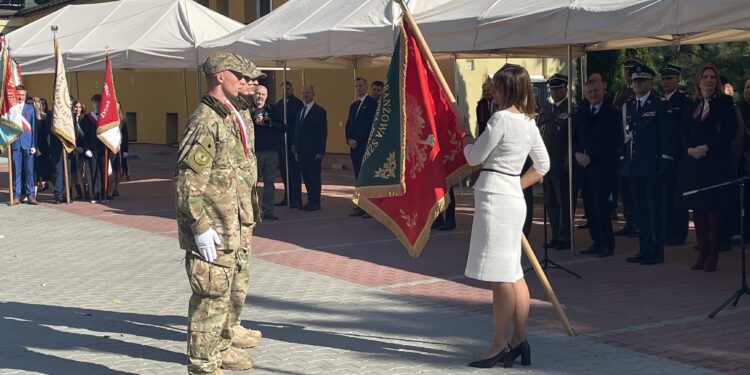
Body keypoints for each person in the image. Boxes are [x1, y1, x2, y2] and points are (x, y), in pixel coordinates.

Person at [462, 64, 549, 369]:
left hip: (496, 198)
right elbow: (543, 165)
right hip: (512, 195)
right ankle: (518, 340)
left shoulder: (500, 118)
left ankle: (499, 344)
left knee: (501, 276)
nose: (493, 91)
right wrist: (517, 183)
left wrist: (465, 139)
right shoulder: (528, 122)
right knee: (513, 273)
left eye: (497, 86)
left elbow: (475, 157)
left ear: (507, 89)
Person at [175, 51, 256, 374]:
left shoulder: (226, 115)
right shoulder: (204, 121)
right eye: (240, 75)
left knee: (224, 294)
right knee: (210, 299)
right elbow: (187, 181)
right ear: (221, 76)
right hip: (212, 228)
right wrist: (199, 226)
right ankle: (202, 365)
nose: (246, 82)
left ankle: (220, 348)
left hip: (229, 223)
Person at [678, 65, 738, 272]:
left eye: (713, 77)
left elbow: (731, 131)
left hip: (716, 163)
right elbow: (683, 130)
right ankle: (701, 253)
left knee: (713, 211)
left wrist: (708, 146)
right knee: (699, 211)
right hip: (694, 163)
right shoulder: (691, 104)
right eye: (705, 77)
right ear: (698, 80)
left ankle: (712, 255)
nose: (709, 81)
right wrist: (689, 149)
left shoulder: (725, 102)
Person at [226, 57, 265, 351]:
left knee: (241, 271)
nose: (252, 83)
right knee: (226, 274)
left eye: (254, 80)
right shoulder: (221, 115)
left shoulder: (242, 110)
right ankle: (223, 333)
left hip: (243, 206)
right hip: (227, 210)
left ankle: (233, 324)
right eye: (247, 78)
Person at [622, 62, 674, 265]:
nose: (636, 84)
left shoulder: (659, 105)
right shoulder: (630, 106)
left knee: (655, 211)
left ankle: (656, 251)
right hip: (634, 166)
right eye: (634, 80)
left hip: (652, 166)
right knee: (640, 211)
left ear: (650, 83)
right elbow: (625, 137)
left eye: (641, 80)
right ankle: (644, 249)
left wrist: (665, 162)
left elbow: (667, 137)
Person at [574, 79, 622, 257]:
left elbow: (614, 141)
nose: (592, 95)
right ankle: (596, 241)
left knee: (602, 208)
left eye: (595, 91)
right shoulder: (582, 111)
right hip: (584, 168)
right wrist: (577, 153)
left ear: (603, 90)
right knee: (590, 209)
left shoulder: (612, 112)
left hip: (602, 167)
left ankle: (607, 244)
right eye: (589, 93)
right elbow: (575, 137)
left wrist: (591, 156)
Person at [538, 73, 571, 250]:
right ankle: (555, 235)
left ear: (566, 88)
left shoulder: (571, 109)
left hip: (562, 163)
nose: (556, 92)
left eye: (559, 88)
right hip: (547, 163)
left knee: (563, 202)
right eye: (553, 88)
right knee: (550, 202)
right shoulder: (546, 110)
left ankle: (566, 237)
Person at [659, 64, 690, 246]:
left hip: (679, 156)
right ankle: (668, 231)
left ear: (678, 80)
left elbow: (683, 130)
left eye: (670, 78)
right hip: (664, 156)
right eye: (664, 79)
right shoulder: (661, 101)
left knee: (678, 197)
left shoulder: (683, 102)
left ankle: (679, 232)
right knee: (666, 196)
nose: (666, 82)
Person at [613, 59, 640, 236]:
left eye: (631, 70)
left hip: (636, 149)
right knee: (624, 190)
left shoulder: (640, 92)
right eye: (626, 70)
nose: (628, 74)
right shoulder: (621, 92)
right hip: (622, 146)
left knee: (634, 189)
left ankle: (637, 223)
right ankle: (629, 221)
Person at [252, 84, 285, 220]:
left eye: (263, 94)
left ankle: (268, 210)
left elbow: (283, 127)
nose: (260, 97)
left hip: (271, 151)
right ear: (254, 94)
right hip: (254, 152)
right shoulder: (247, 110)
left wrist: (269, 123)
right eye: (258, 94)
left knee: (269, 183)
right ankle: (253, 211)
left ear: (266, 96)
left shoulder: (272, 109)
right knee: (252, 183)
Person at [346, 77, 378, 217]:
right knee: (358, 177)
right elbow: (349, 125)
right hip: (354, 147)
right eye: (356, 86)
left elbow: (369, 125)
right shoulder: (354, 105)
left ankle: (370, 208)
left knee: (367, 177)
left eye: (361, 86)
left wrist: (357, 139)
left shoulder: (372, 104)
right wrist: (349, 139)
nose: (358, 88)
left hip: (365, 146)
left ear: (366, 87)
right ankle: (361, 205)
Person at [294, 85, 327, 212]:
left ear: (313, 94)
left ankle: (315, 202)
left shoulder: (320, 111)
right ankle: (310, 200)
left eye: (307, 93)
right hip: (302, 150)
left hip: (313, 150)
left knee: (314, 177)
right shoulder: (301, 111)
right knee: (306, 177)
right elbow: (297, 131)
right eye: (303, 93)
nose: (305, 95)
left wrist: (320, 150)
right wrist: (296, 148)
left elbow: (322, 132)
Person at [275, 81, 305, 208]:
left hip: (292, 142)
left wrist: (295, 143)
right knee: (284, 171)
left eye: (288, 89)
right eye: (283, 89)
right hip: (281, 143)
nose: (285, 91)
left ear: (292, 89)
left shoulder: (297, 104)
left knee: (294, 172)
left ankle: (296, 198)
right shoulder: (279, 104)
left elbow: (297, 125)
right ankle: (287, 196)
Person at [10, 85, 38, 205]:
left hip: (28, 144)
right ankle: (16, 196)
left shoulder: (30, 108)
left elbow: (34, 128)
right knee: (16, 171)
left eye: (23, 95)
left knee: (29, 171)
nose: (21, 97)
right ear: (16, 95)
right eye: (19, 95)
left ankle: (31, 195)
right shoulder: (11, 109)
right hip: (15, 144)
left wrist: (34, 145)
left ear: (25, 96)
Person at [33, 97, 52, 194]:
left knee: (44, 163)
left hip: (43, 143)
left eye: (38, 103)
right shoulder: (32, 115)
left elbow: (47, 131)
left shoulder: (45, 116)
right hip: (34, 143)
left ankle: (44, 181)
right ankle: (38, 183)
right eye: (34, 103)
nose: (36, 105)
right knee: (36, 166)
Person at [112, 101, 129, 197]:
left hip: (120, 147)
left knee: (118, 169)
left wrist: (126, 150)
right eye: (115, 107)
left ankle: (116, 188)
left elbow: (126, 137)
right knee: (112, 169)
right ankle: (110, 187)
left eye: (118, 107)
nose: (116, 108)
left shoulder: (123, 120)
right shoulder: (109, 120)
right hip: (111, 146)